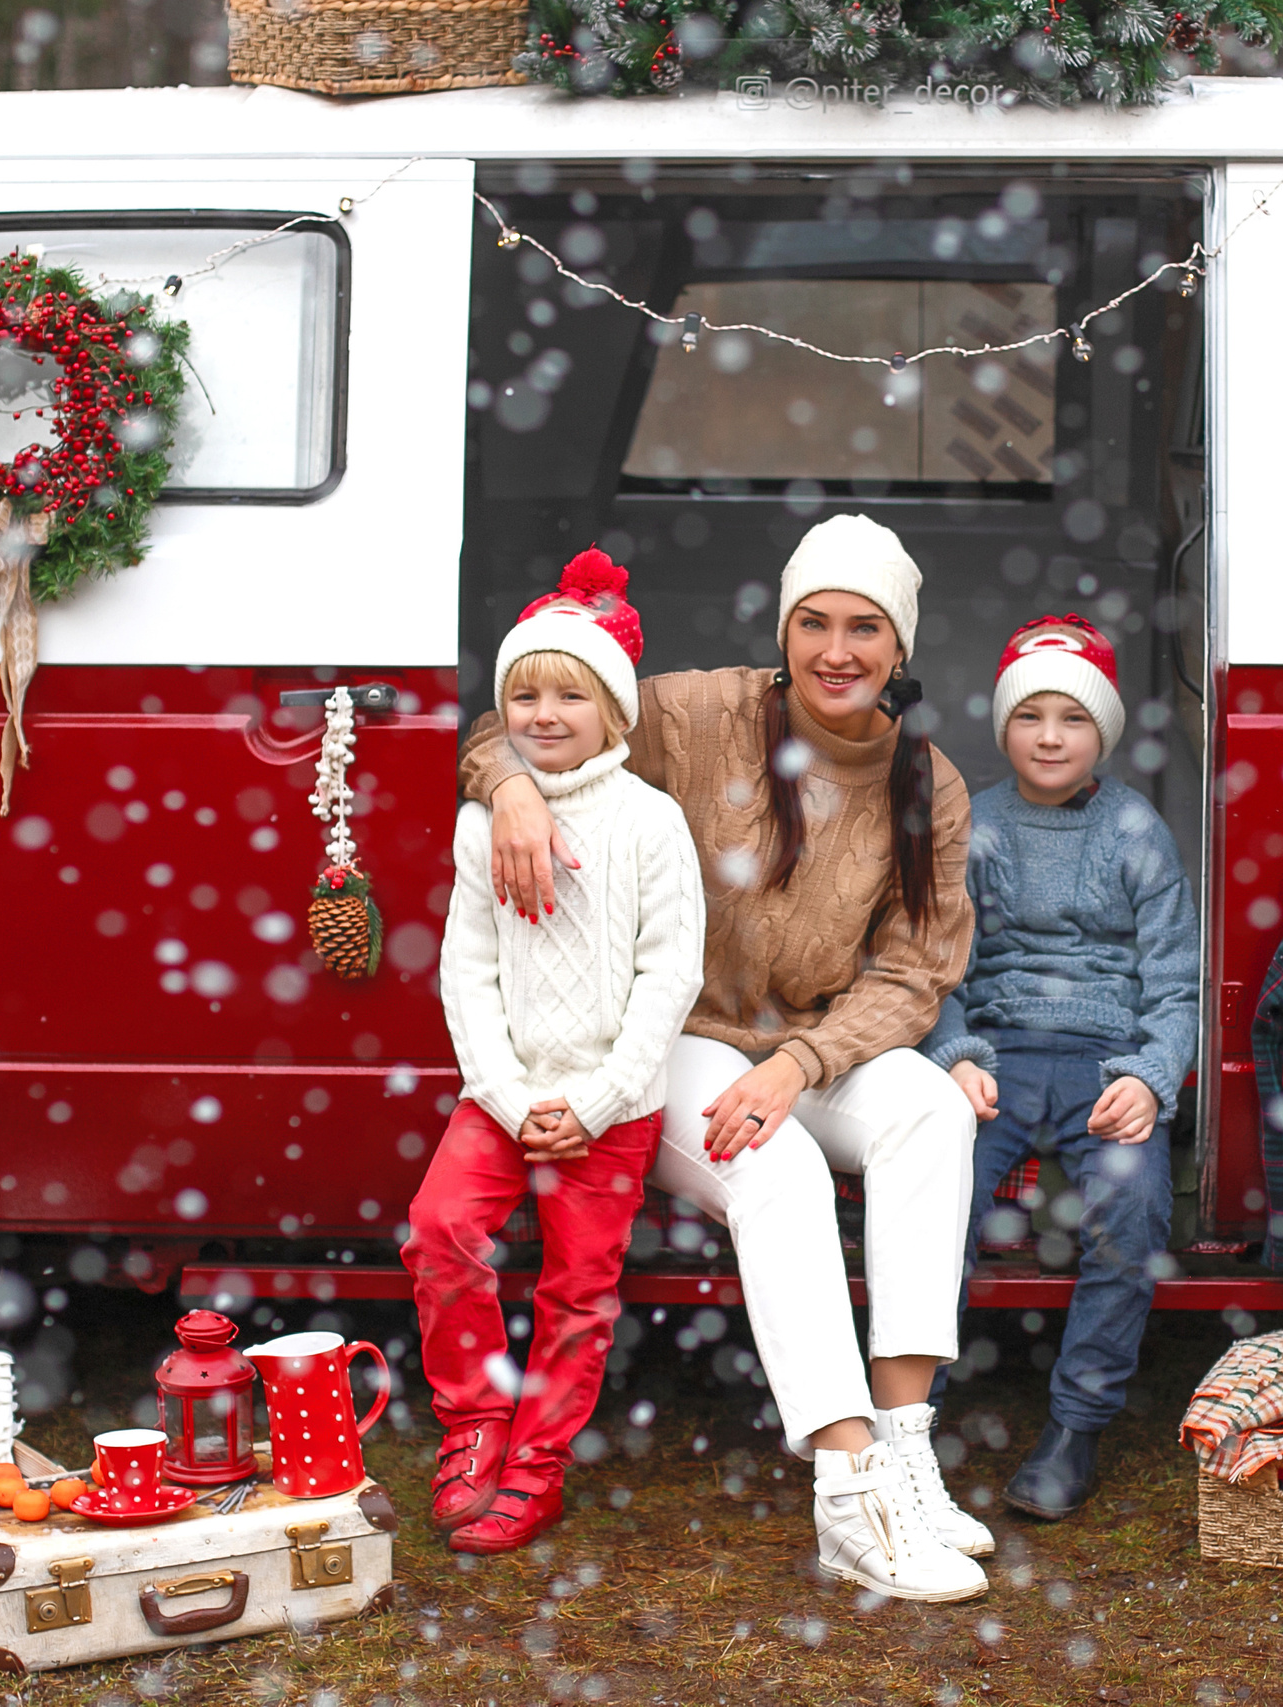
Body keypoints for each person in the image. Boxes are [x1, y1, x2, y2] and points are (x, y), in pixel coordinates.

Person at [467, 514, 989, 1601]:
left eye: (864, 629)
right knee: (779, 1169)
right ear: (783, 625)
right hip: (665, 1038)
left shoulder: (924, 780)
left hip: (809, 1042)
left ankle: (903, 1446)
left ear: (900, 649)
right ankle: (846, 1494)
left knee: (931, 1109)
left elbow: (914, 971)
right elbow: (527, 712)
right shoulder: (696, 712)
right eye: (814, 623)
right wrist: (510, 785)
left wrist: (801, 1063)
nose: (835, 650)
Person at [404, 550, 706, 1555]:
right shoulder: (482, 822)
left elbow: (670, 977)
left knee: (577, 1289)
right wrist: (499, 1090)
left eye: (567, 694)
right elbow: (468, 970)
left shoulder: (651, 825)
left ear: (612, 712)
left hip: (611, 1104)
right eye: (522, 693)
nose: (541, 713)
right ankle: (475, 1428)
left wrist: (600, 1098)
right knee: (438, 1230)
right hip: (505, 1091)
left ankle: (538, 1469)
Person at [923, 613, 1200, 1519]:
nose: (1050, 735)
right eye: (1031, 714)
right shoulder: (973, 826)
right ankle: (904, 1418)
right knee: (929, 1195)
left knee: (1133, 1207)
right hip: (996, 1057)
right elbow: (936, 968)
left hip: (1102, 1061)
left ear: (1103, 732)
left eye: (1073, 719)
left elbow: (1174, 985)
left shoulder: (1135, 830)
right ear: (1004, 725)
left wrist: (1150, 1077)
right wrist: (955, 1056)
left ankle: (1077, 1425)